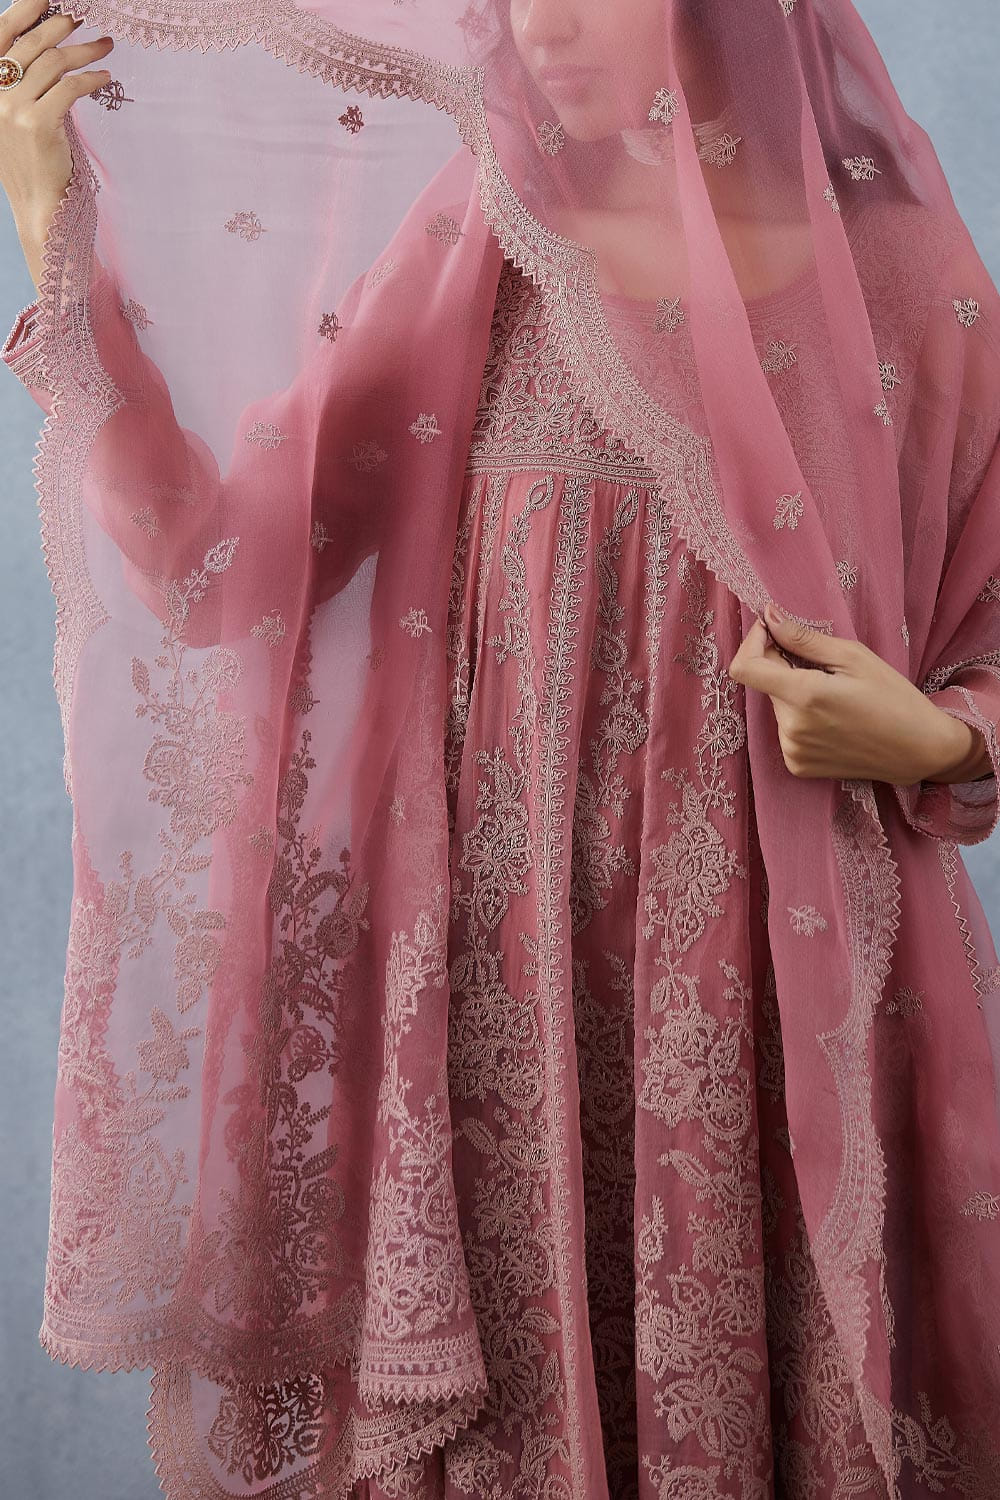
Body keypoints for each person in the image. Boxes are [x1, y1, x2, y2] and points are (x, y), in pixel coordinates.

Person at [2, 1, 1000, 1496]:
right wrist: (52, 228)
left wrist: (937, 737)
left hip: (779, 1017)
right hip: (497, 1008)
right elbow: (217, 566)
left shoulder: (900, 280)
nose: (541, 25)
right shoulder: (492, 242)